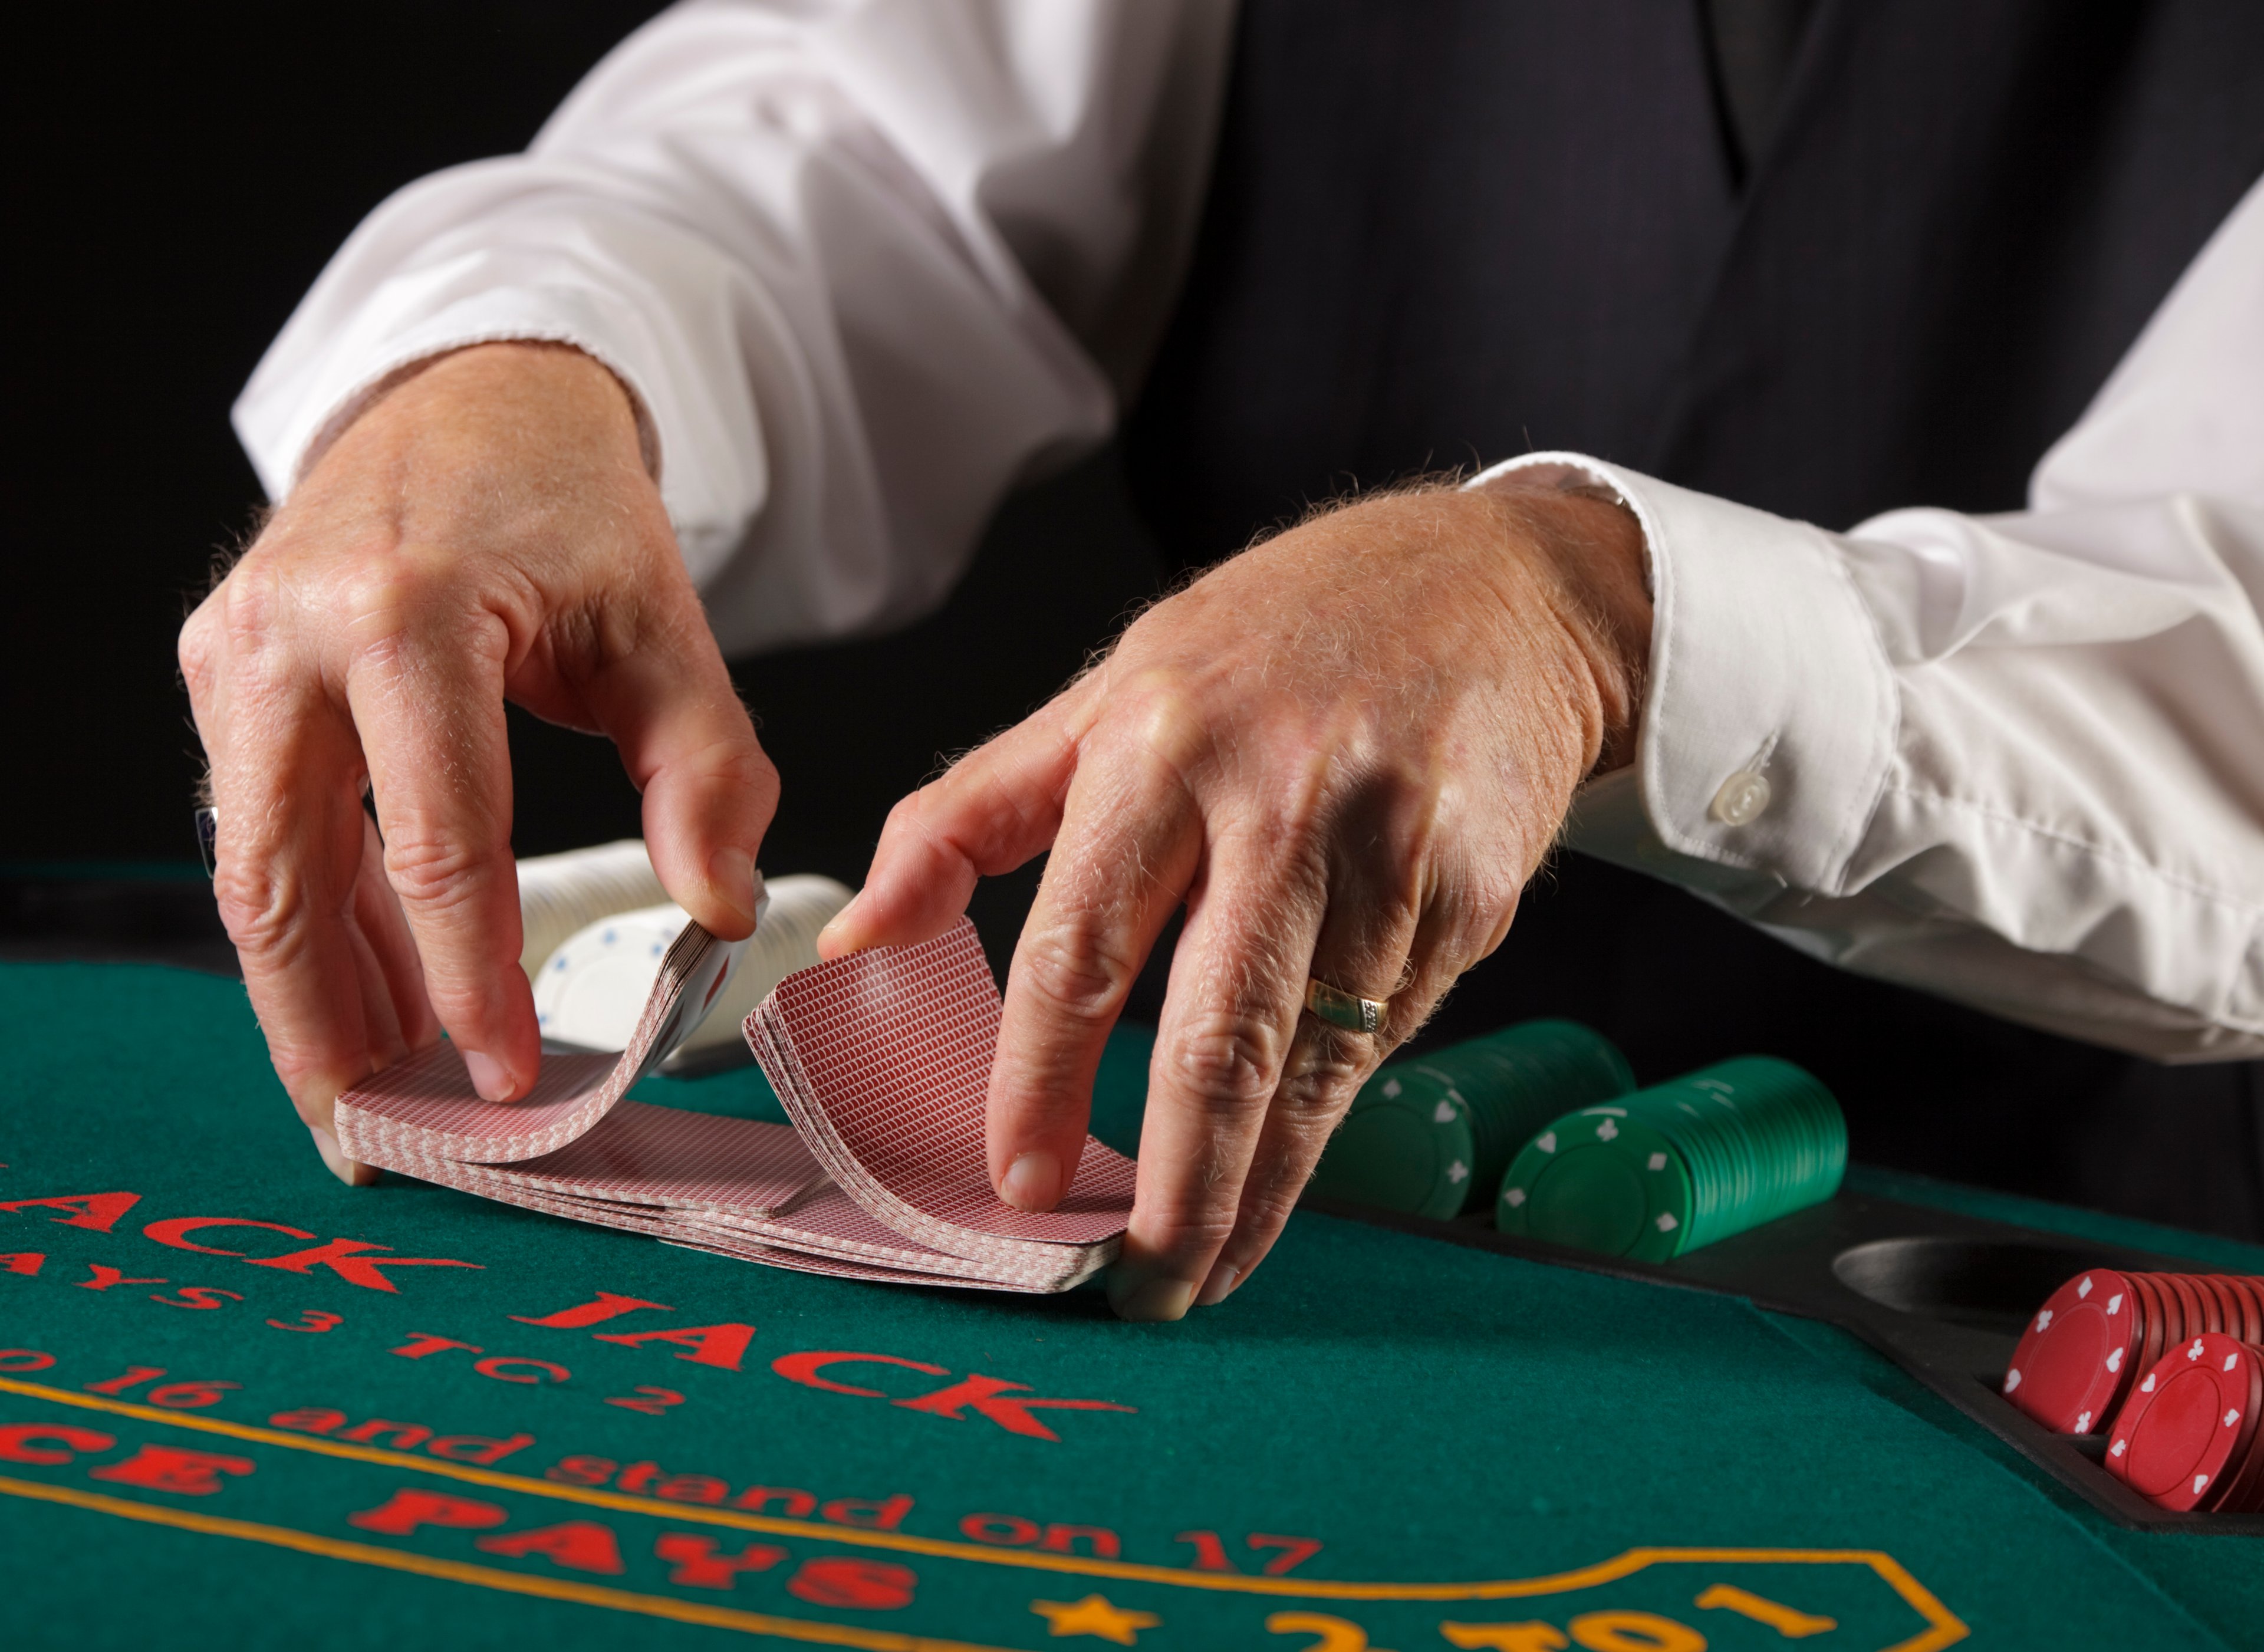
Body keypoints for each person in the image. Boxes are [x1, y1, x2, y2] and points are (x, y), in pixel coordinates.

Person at [181, 0, 2264, 1319]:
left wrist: (1591, 605)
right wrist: (519, 355)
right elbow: (862, 134)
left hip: (2023, 1286)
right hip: (1279, 1240)